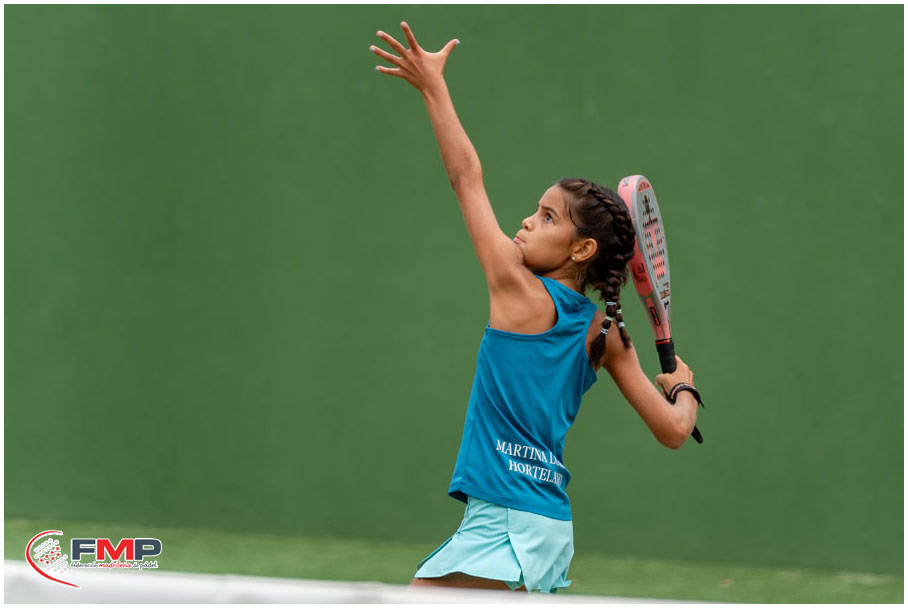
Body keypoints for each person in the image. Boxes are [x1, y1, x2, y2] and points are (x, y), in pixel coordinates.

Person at [371, 22, 702, 594]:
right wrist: (685, 386)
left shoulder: (516, 289)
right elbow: (675, 430)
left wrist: (434, 87)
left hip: (504, 523)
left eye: (547, 217)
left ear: (582, 250)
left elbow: (465, 178)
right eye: (536, 209)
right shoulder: (606, 334)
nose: (527, 221)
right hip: (548, 527)